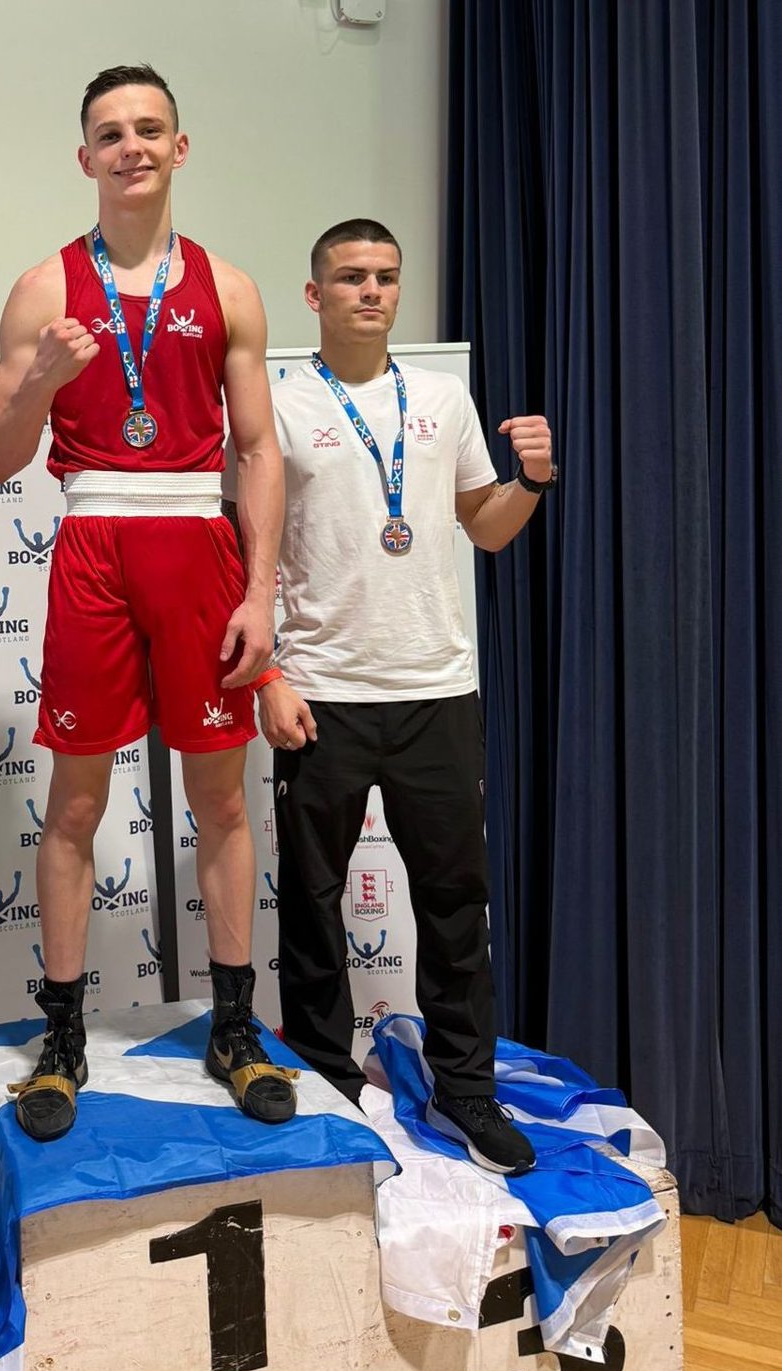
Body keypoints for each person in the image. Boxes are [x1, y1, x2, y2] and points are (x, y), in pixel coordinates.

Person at [0, 64, 297, 1141]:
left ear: (180, 146)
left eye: (149, 129)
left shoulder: (232, 287)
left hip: (198, 547)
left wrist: (260, 593)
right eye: (110, 133)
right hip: (94, 541)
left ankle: (237, 1029)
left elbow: (256, 448)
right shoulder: (42, 287)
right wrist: (39, 382)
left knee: (223, 805)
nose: (132, 147)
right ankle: (62, 1042)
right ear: (85, 158)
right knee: (74, 807)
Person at [258, 218, 556, 1175]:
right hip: (322, 692)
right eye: (350, 277)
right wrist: (267, 675)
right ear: (315, 295)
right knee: (312, 904)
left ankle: (468, 1087)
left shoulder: (441, 397)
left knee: (455, 906)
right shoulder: (274, 403)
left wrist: (535, 480)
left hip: (437, 689)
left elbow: (489, 527)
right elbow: (245, 549)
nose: (371, 292)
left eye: (385, 276)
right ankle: (325, 1079)